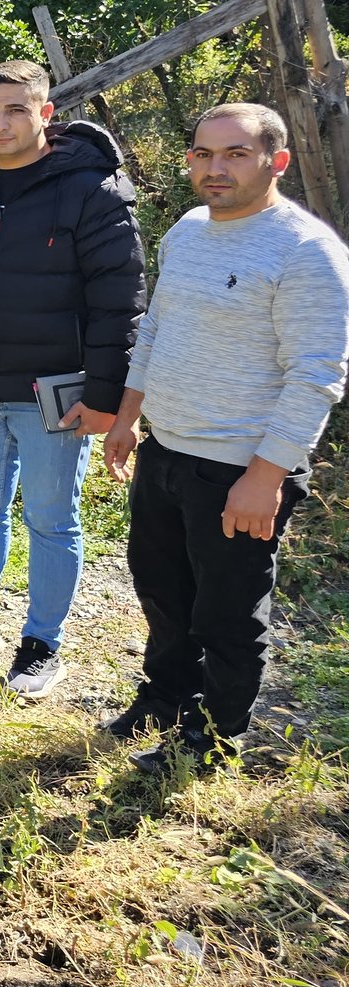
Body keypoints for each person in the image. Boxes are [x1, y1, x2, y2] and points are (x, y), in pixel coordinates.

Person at [103, 103, 349, 774]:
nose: (215, 169)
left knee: (227, 615)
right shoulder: (186, 232)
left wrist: (265, 478)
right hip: (166, 449)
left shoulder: (306, 251)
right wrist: (129, 416)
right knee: (162, 592)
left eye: (235, 154)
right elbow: (155, 328)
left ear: (276, 161)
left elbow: (318, 376)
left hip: (240, 470)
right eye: (203, 155)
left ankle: (210, 740)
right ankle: (163, 699)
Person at [0, 62, 147, 698]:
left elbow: (120, 299)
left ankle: (43, 642)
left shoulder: (91, 190)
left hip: (56, 390)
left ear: (46, 113)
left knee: (52, 518)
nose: (0, 124)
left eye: (16, 110)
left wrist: (104, 395)